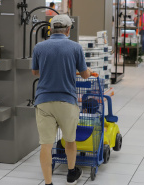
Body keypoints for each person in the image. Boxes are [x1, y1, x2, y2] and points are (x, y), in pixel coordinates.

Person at [32, 15, 92, 185]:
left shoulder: (39, 47)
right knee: (70, 140)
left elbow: (35, 72)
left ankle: (48, 183)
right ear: (68, 30)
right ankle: (72, 173)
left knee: (46, 144)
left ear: (50, 29)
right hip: (66, 101)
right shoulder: (75, 47)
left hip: (44, 101)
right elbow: (85, 74)